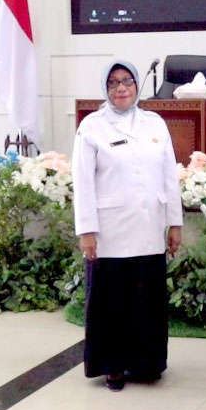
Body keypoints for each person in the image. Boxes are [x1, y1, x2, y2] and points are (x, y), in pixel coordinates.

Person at [72, 60, 183, 392]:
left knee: (146, 301)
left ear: (137, 86)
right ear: (105, 90)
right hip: (110, 233)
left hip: (149, 229)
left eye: (127, 82)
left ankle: (147, 363)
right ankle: (113, 366)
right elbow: (83, 183)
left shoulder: (155, 123)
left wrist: (174, 223)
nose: (121, 88)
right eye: (113, 83)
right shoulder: (92, 127)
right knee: (113, 301)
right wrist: (87, 231)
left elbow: (169, 177)